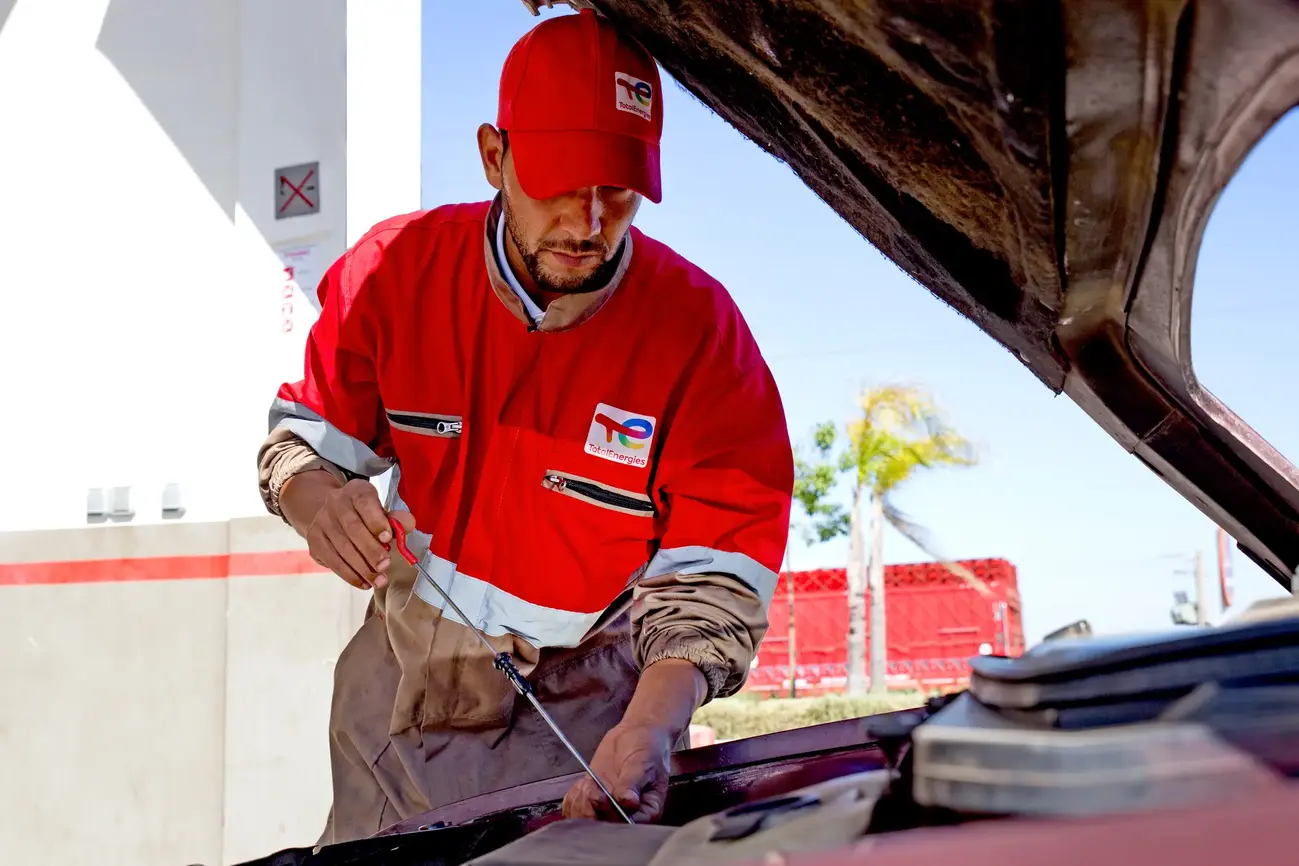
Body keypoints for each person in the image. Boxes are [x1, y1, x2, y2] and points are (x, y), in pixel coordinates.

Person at [256, 8, 793, 845]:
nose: (587, 223)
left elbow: (711, 587)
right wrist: (315, 500)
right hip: (390, 714)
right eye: (559, 184)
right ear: (494, 156)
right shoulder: (394, 275)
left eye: (616, 191)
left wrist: (649, 729)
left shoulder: (700, 337)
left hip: (588, 739)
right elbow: (301, 447)